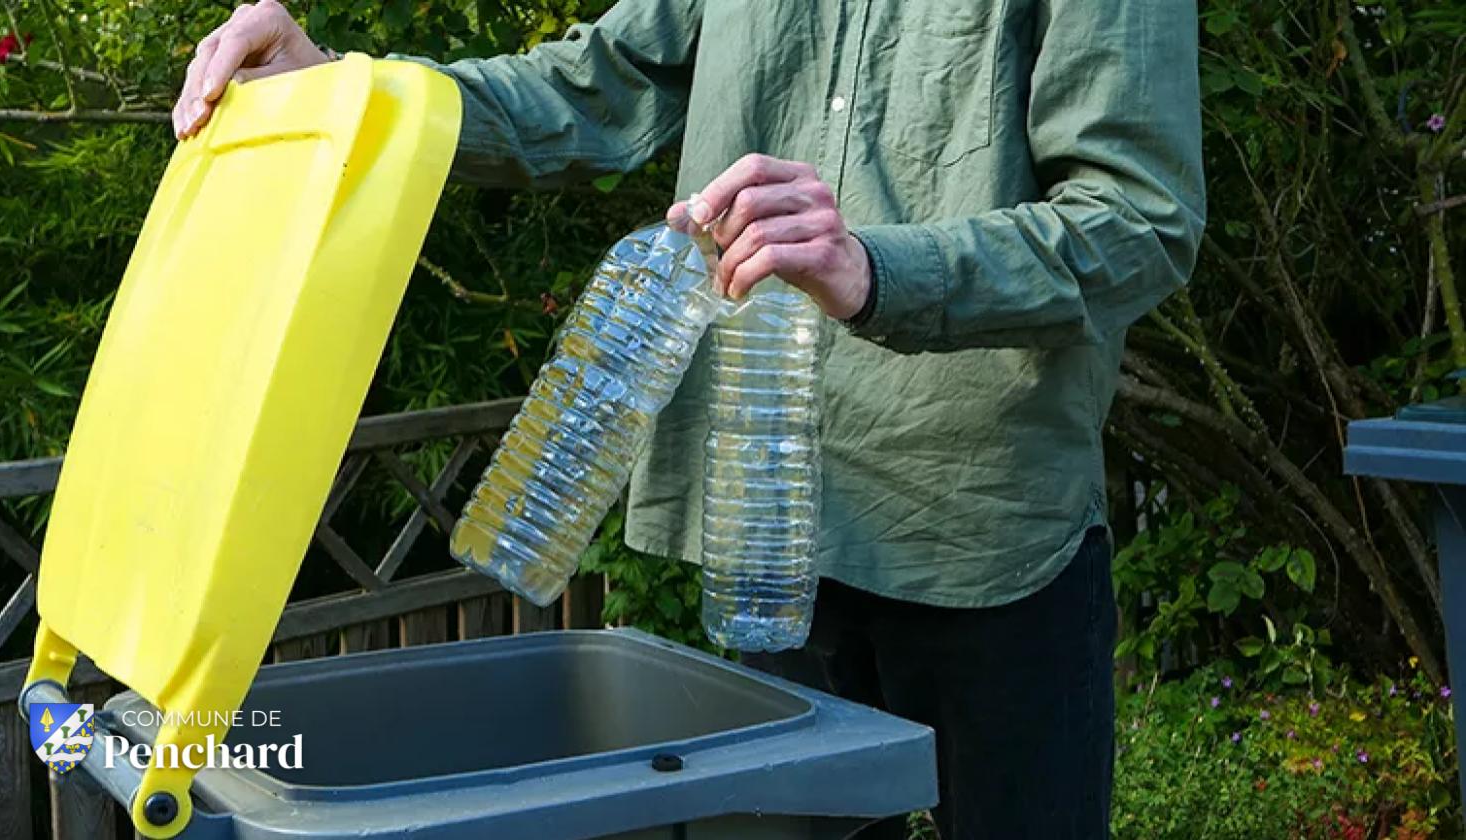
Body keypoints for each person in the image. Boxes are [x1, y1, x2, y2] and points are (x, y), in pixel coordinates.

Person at [175, 1, 1204, 836]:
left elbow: (1139, 220)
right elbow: (594, 89)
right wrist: (346, 88)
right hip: (767, 537)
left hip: (978, 527)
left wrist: (879, 270)